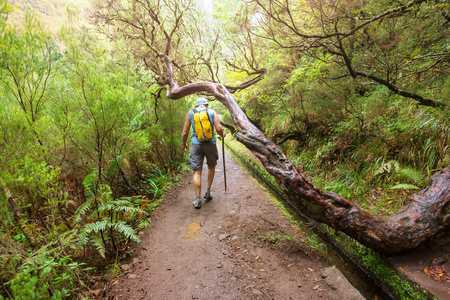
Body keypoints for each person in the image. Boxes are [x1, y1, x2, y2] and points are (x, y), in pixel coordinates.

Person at [182, 97, 226, 209]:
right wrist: (222, 135)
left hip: (196, 145)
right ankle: (207, 192)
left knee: (197, 172)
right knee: (211, 167)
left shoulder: (190, 113)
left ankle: (198, 199)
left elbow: (184, 132)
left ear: (197, 105)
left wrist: (184, 144)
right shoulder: (212, 112)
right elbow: (218, 128)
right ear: (206, 104)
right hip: (210, 143)